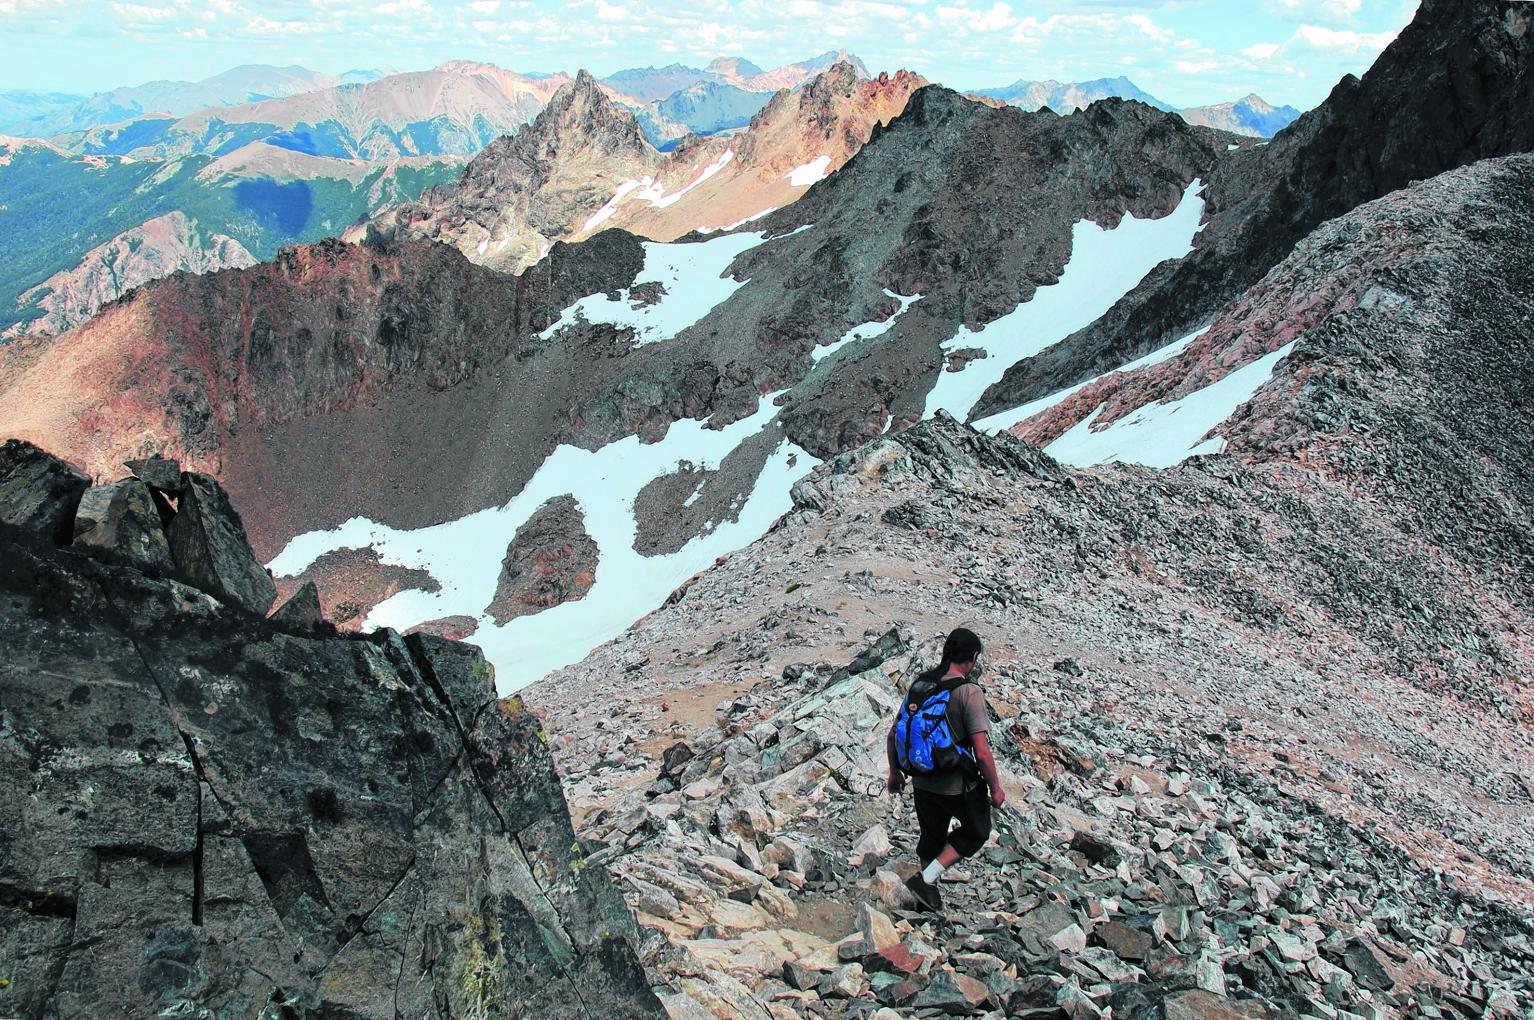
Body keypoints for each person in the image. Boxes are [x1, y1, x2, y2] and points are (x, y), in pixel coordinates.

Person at [885, 627, 1005, 912]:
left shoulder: (921, 686)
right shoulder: (968, 692)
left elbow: (893, 733)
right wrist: (996, 788)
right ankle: (926, 879)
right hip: (956, 783)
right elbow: (982, 752)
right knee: (977, 830)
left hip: (922, 781)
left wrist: (895, 773)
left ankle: (927, 899)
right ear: (972, 658)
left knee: (931, 837)